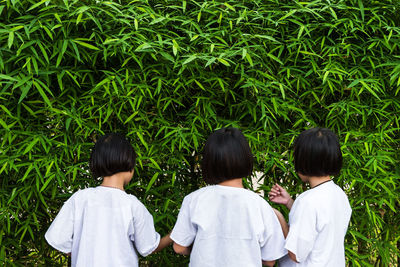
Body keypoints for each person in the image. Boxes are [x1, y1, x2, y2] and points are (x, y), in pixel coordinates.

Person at [45, 133, 172, 266]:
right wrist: (171, 236)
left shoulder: (80, 199)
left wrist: (81, 250)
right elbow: (149, 247)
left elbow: (57, 238)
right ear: (129, 165)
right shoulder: (132, 205)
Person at [171, 127, 287, 267]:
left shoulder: (194, 199)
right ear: (245, 158)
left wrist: (202, 248)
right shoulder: (259, 205)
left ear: (209, 162)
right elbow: (270, 260)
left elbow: (179, 247)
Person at [269, 127, 352, 266]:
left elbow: (296, 254)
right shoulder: (339, 195)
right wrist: (290, 202)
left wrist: (278, 217)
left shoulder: (307, 201)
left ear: (304, 161)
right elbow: (320, 227)